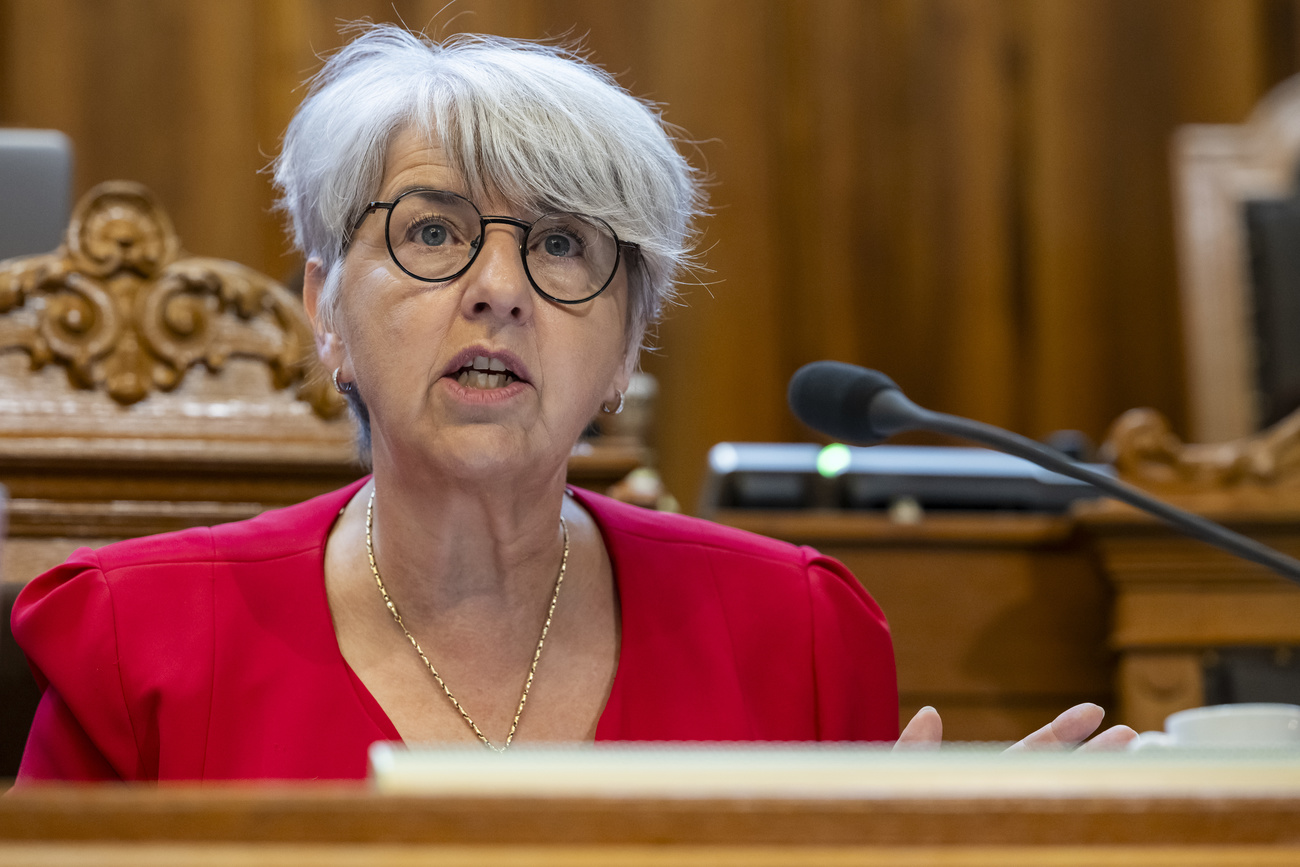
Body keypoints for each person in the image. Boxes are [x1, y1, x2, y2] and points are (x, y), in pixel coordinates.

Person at [10, 25, 1131, 782]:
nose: (498, 290)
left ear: (626, 346)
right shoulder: (138, 643)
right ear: (326, 308)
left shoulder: (796, 634)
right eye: (434, 232)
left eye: (560, 244)